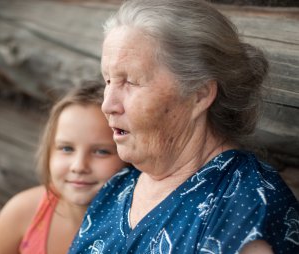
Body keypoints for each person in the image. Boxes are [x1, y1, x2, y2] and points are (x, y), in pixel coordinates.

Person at [69, 0, 299, 253]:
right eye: (108, 80)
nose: (107, 104)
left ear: (199, 95)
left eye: (131, 82)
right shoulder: (117, 186)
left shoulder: (247, 204)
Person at [0, 82, 128, 254]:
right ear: (49, 151)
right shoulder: (21, 213)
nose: (79, 166)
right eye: (66, 148)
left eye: (101, 151)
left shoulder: (137, 228)